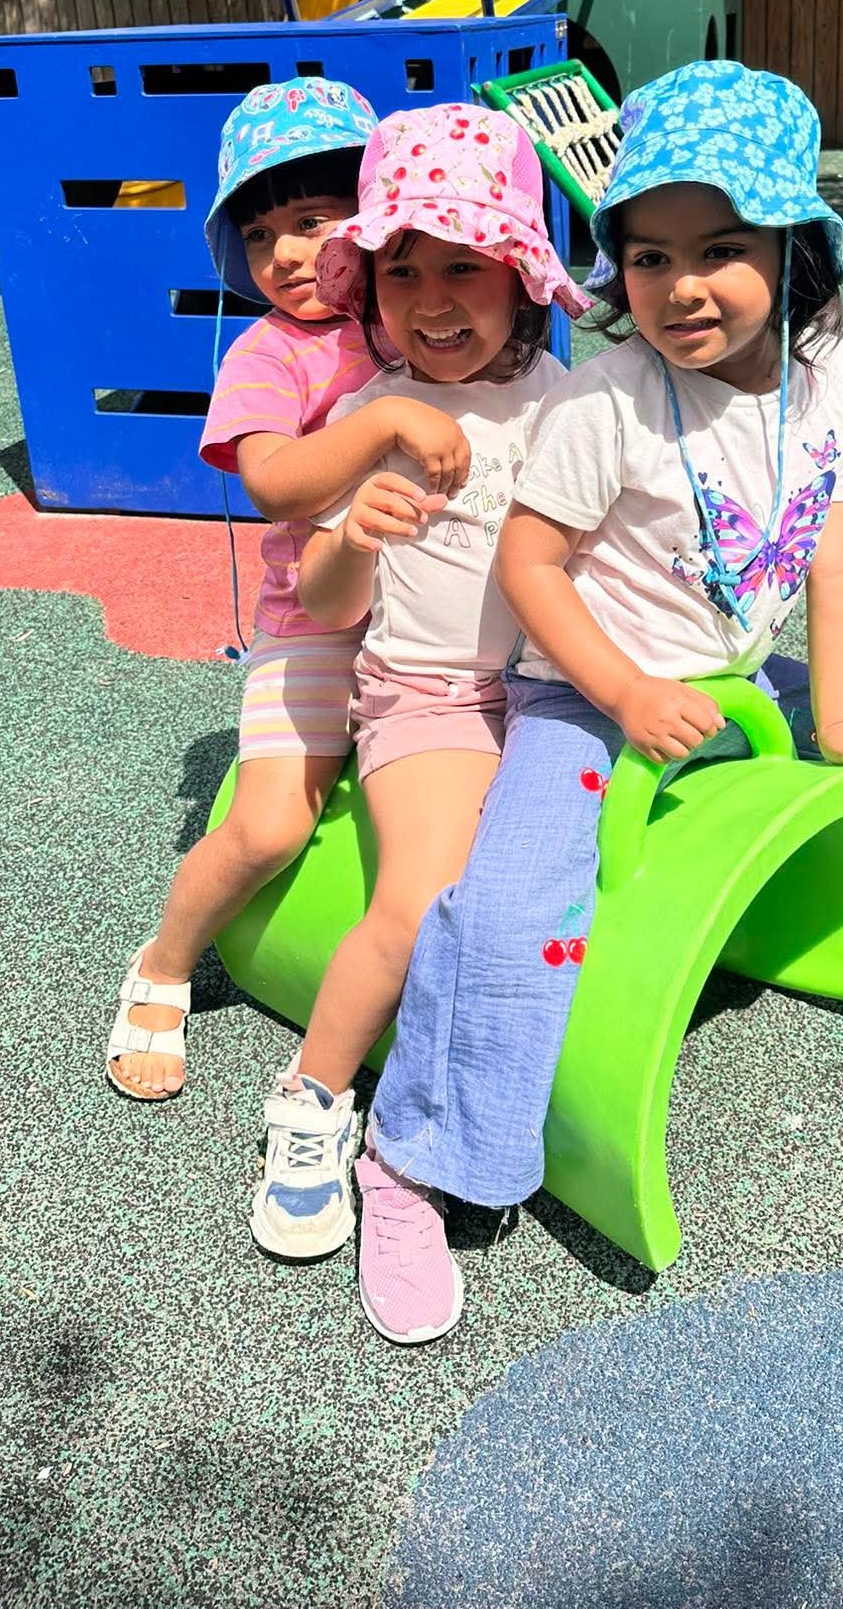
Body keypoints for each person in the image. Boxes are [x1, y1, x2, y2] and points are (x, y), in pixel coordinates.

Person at [357, 61, 843, 1342]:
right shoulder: (607, 398)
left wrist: (836, 718)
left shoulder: (837, 385)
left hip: (729, 675)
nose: (683, 286)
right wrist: (618, 686)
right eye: (650, 254)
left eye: (724, 248)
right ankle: (407, 1154)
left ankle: (767, 892)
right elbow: (530, 564)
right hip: (583, 690)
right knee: (508, 912)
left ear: (796, 247)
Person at [246, 102, 590, 1339]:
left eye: (465, 266)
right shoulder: (369, 409)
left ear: (520, 275)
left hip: (554, 695)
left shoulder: (573, 401)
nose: (434, 298)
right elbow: (330, 603)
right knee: (423, 894)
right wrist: (351, 530)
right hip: (429, 694)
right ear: (373, 290)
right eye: (403, 270)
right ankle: (316, 1096)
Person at [105, 79, 476, 1100]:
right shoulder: (268, 352)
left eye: (314, 220)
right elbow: (272, 477)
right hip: (311, 619)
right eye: (262, 234)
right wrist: (379, 426)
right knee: (272, 825)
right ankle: (166, 960)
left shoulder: (414, 309)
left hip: (440, 619)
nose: (287, 253)